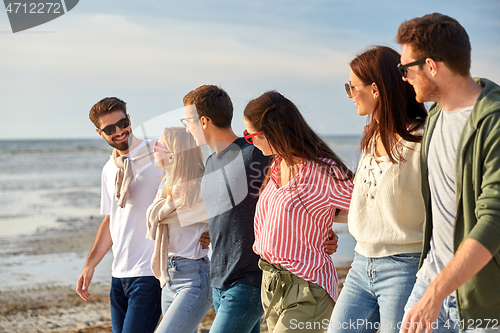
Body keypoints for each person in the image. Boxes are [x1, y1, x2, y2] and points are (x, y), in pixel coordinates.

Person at [396, 13, 500, 332]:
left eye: (405, 68)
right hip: (430, 281)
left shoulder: (492, 123)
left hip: (481, 299)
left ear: (431, 66)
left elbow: (494, 219)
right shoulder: (436, 115)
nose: (403, 77)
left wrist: (436, 294)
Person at [326, 46, 428, 333]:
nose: (348, 94)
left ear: (376, 90)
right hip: (361, 263)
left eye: (351, 87)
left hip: (405, 267)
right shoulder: (371, 139)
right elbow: (369, 203)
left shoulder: (421, 141)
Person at [243, 90, 354, 333]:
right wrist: (324, 221)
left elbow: (364, 207)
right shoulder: (276, 165)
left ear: (270, 132)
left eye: (250, 135)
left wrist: (330, 225)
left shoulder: (322, 171)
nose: (249, 141)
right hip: (271, 284)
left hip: (307, 286)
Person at [181, 85, 270, 333]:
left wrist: (323, 231)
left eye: (188, 121)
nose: (187, 128)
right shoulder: (210, 162)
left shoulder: (255, 154)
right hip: (219, 280)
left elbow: (294, 191)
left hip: (249, 280)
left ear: (204, 121)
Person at [76, 97, 162, 333]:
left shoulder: (158, 151)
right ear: (99, 132)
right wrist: (90, 265)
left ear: (129, 119)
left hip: (150, 273)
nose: (119, 131)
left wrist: (204, 230)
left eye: (122, 123)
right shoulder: (109, 168)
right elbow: (112, 219)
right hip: (119, 276)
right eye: (109, 129)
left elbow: (190, 190)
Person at [146, 127, 212, 333]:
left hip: (193, 277)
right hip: (169, 275)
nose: (153, 150)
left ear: (172, 155)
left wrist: (212, 230)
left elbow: (223, 215)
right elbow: (158, 215)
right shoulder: (166, 184)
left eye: (157, 145)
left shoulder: (197, 185)